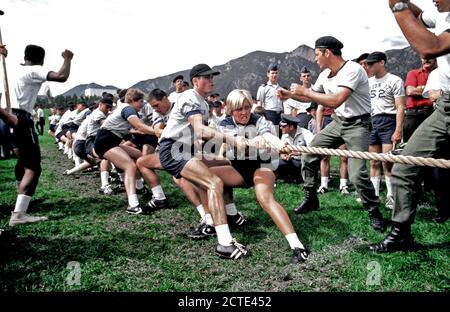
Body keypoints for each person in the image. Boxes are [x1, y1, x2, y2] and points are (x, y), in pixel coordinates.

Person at [278, 36, 386, 233]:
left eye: (317, 54)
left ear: (327, 52)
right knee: (309, 154)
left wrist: (305, 92)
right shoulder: (325, 74)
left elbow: (335, 100)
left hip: (358, 124)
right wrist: (289, 94)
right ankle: (311, 199)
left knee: (356, 174)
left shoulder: (353, 70)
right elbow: (310, 93)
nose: (316, 59)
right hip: (338, 122)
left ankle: (374, 210)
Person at [370, 0, 450, 252]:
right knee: (405, 165)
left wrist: (396, 6)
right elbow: (419, 14)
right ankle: (400, 233)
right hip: (444, 109)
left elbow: (430, 46)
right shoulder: (442, 15)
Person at [158, 63, 248, 260]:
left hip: (186, 149)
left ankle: (220, 218)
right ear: (195, 81)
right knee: (214, 182)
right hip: (173, 149)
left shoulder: (203, 103)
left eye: (212, 77)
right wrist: (232, 139)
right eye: (206, 77)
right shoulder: (190, 97)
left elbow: (203, 136)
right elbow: (200, 131)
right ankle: (224, 243)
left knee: (224, 165)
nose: (211, 80)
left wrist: (236, 137)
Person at [210, 89, 309, 264]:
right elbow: (242, 147)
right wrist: (256, 142)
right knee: (209, 178)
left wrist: (279, 143)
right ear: (231, 110)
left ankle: (298, 246)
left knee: (265, 198)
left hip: (261, 166)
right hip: (238, 170)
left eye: (247, 107)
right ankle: (224, 217)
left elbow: (268, 136)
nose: (244, 112)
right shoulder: (225, 123)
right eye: (239, 109)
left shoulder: (259, 119)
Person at [0, 44, 73, 226]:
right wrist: (67, 59)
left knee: (23, 161)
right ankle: (19, 214)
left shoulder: (12, 70)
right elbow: (61, 76)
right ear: (41, 59)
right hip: (19, 118)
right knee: (33, 167)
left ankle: (22, 201)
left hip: (4, 117)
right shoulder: (35, 70)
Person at [366, 51, 405, 209]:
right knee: (374, 161)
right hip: (373, 121)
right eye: (367, 64)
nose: (369, 67)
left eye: (371, 63)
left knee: (387, 162)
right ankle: (374, 195)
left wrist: (398, 130)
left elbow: (401, 107)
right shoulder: (368, 82)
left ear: (382, 63)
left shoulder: (395, 80)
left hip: (389, 120)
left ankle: (391, 196)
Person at [276, 113, 314, 183]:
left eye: (283, 126)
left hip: (303, 162)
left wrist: (299, 153)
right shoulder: (284, 136)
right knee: (277, 162)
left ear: (291, 127)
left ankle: (300, 178)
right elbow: (281, 152)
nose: (281, 128)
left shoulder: (305, 133)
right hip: (291, 161)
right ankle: (289, 177)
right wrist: (283, 155)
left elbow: (314, 150)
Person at [256, 63, 284, 128]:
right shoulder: (263, 88)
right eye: (272, 73)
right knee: (272, 134)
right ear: (268, 74)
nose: (274, 75)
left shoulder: (280, 88)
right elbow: (259, 103)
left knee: (279, 135)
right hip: (269, 114)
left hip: (280, 115)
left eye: (276, 73)